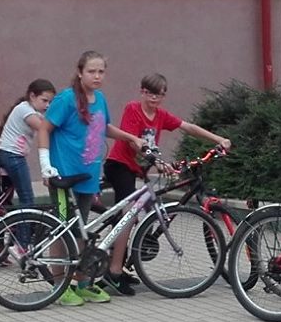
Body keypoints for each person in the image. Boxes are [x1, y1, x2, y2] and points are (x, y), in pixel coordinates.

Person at [30, 50, 144, 307]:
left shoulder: (99, 99)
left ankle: (82, 284)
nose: (97, 76)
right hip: (64, 176)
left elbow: (104, 128)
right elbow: (44, 128)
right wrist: (46, 165)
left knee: (80, 231)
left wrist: (131, 138)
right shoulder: (66, 99)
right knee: (63, 230)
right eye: (92, 71)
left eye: (101, 71)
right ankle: (60, 287)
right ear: (80, 72)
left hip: (88, 176)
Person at [101, 73, 232, 295]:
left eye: (159, 95)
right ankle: (113, 272)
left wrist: (218, 139)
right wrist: (157, 162)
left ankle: (121, 262)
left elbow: (188, 127)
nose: (154, 98)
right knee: (129, 216)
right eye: (150, 93)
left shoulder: (161, 115)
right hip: (120, 165)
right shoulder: (133, 109)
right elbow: (132, 142)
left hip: (139, 168)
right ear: (142, 92)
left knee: (143, 211)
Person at [0, 79, 56, 210]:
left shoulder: (30, 110)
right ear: (32, 96)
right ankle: (25, 224)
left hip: (8, 155)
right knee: (27, 199)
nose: (48, 105)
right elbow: (43, 128)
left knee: (7, 198)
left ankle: (4, 219)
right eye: (44, 101)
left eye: (50, 102)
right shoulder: (25, 110)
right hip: (13, 157)